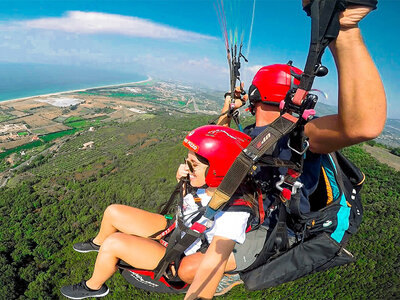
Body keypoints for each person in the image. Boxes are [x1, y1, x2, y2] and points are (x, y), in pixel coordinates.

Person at [181, 1, 387, 296]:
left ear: (255, 95)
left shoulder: (300, 136)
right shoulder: (254, 134)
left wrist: (344, 30)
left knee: (188, 268)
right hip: (249, 211)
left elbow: (363, 126)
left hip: (274, 227)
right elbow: (225, 142)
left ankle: (234, 272)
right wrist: (228, 111)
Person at [60, 125, 257, 300]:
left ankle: (93, 286)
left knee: (114, 243)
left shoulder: (233, 214)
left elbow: (214, 263)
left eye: (193, 164)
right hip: (178, 229)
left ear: (218, 169)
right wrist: (185, 181)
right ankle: (98, 244)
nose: (186, 167)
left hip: (179, 253)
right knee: (113, 212)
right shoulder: (207, 183)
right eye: (187, 161)